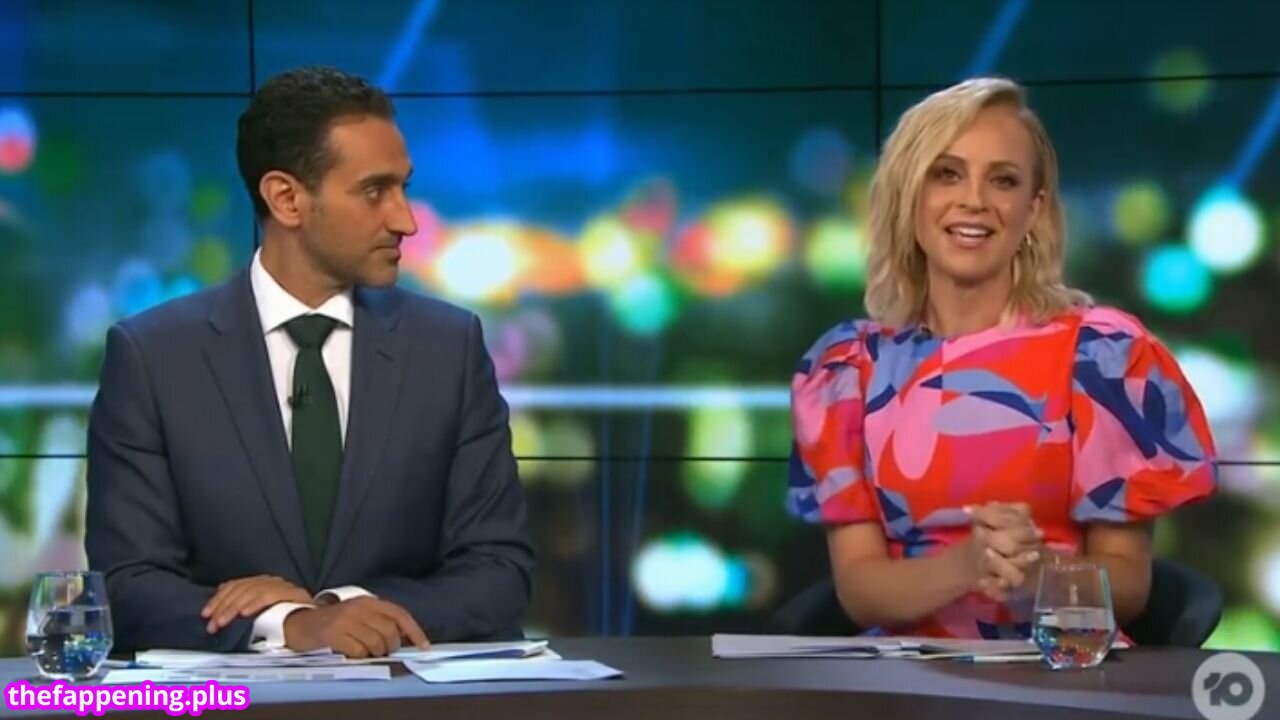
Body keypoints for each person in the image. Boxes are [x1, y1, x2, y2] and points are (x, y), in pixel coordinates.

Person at [85, 66, 535, 657]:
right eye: (374, 191)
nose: (405, 219)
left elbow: (500, 569)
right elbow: (125, 585)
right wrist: (287, 624)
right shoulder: (153, 357)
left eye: (403, 187)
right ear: (287, 199)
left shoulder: (448, 348)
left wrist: (340, 610)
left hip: (405, 697)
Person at [786, 77, 1216, 639]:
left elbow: (1130, 589)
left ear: (1033, 209)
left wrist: (1041, 576)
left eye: (1003, 180)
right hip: (902, 679)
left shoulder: (1102, 358)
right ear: (908, 195)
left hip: (1063, 671)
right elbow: (860, 592)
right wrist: (967, 565)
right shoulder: (848, 370)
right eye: (947, 174)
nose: (974, 200)